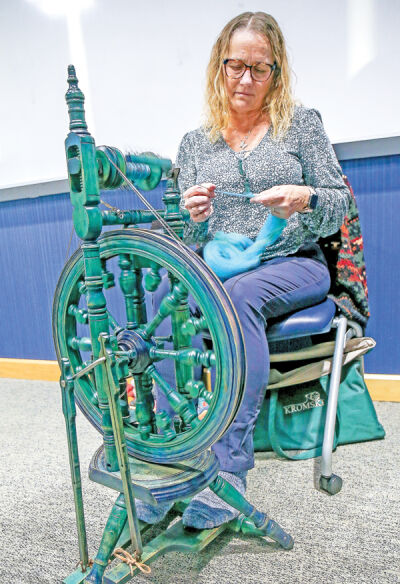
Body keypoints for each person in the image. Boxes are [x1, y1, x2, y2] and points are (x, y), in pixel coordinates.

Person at [136, 11, 350, 529]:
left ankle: (229, 467)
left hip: (293, 263)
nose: (246, 80)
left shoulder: (302, 124)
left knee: (236, 299)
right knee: (166, 307)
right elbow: (186, 238)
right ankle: (172, 457)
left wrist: (304, 197)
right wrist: (190, 216)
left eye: (260, 69)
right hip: (217, 266)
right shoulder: (195, 142)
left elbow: (339, 202)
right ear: (219, 65)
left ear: (276, 72)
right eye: (236, 66)